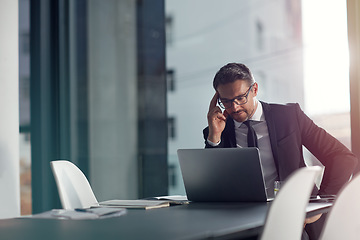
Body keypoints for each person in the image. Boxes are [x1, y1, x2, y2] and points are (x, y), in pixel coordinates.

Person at [203, 63, 358, 240]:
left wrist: (319, 205)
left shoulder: (289, 116)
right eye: (226, 101)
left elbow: (342, 157)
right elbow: (212, 187)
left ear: (254, 89)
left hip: (296, 220)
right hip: (241, 225)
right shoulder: (218, 130)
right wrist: (214, 137)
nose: (235, 107)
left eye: (240, 98)